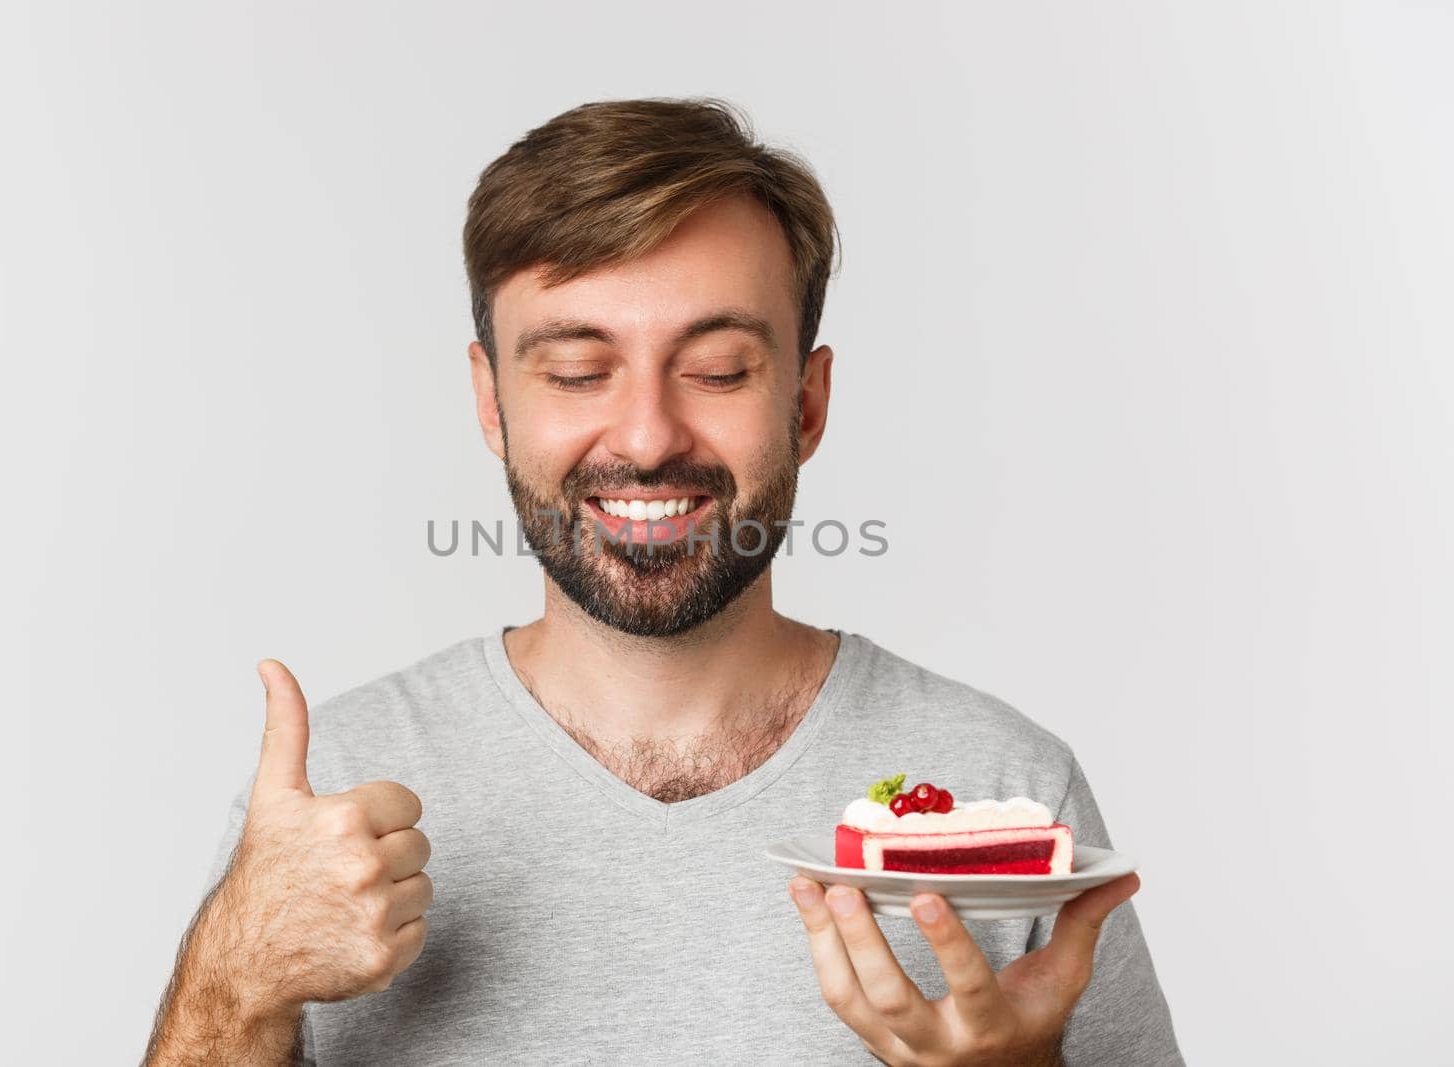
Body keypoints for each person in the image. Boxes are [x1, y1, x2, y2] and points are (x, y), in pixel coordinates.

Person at [144, 97, 1182, 1065]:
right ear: (493, 403)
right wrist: (236, 981)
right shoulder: (327, 798)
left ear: (806, 405)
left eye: (719, 368)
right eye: (576, 371)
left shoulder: (1006, 785)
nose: (645, 437)